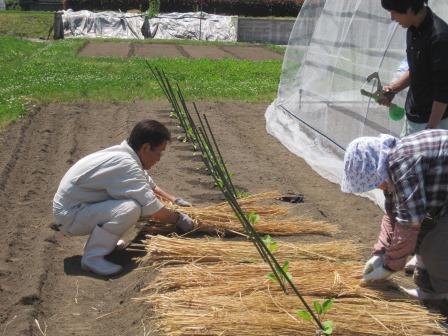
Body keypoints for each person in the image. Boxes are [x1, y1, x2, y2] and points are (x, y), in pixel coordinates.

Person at [53, 119, 194, 276]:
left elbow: (149, 185)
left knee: (132, 204)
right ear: (146, 147)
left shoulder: (124, 155)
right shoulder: (125, 164)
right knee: (131, 208)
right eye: (159, 152)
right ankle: (92, 258)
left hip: (79, 208)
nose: (159, 158)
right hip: (71, 216)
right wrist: (179, 219)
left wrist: (174, 200)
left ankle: (103, 244)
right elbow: (153, 208)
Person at [341, 130, 448, 305]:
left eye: (375, 182)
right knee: (423, 234)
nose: (378, 186)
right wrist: (380, 252)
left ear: (375, 168)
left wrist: (389, 265)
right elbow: (393, 214)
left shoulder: (402, 163)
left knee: (436, 248)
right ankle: (430, 291)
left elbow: (408, 224)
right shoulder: (389, 165)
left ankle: (444, 297)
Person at [379, 0, 448, 136]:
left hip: (433, 123)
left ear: (409, 8)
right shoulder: (412, 28)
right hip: (413, 117)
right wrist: (393, 89)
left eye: (394, 11)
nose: (392, 17)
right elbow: (417, 68)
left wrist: (430, 131)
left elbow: (443, 93)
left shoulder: (440, 38)